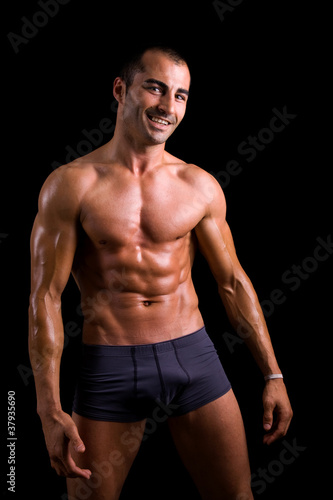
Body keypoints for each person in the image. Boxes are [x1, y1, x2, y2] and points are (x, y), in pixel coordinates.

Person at [29, 45, 293, 500]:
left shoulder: (198, 185)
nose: (168, 106)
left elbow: (231, 282)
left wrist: (272, 375)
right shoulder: (71, 185)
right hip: (110, 366)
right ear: (120, 90)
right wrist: (47, 409)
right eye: (155, 87)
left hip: (194, 359)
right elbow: (45, 298)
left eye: (181, 95)